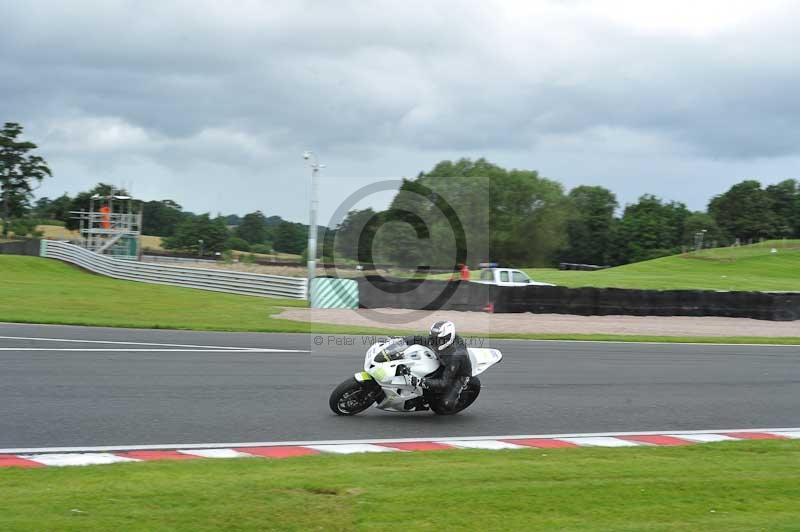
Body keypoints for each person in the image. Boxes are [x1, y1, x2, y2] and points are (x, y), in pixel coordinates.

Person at [404, 320, 472, 412]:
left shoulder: (456, 355)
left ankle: (461, 389)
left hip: (459, 374)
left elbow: (444, 383)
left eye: (439, 340)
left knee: (446, 405)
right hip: (442, 361)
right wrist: (401, 341)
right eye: (433, 338)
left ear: (448, 338)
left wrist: (420, 382)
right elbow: (420, 339)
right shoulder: (438, 341)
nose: (434, 342)